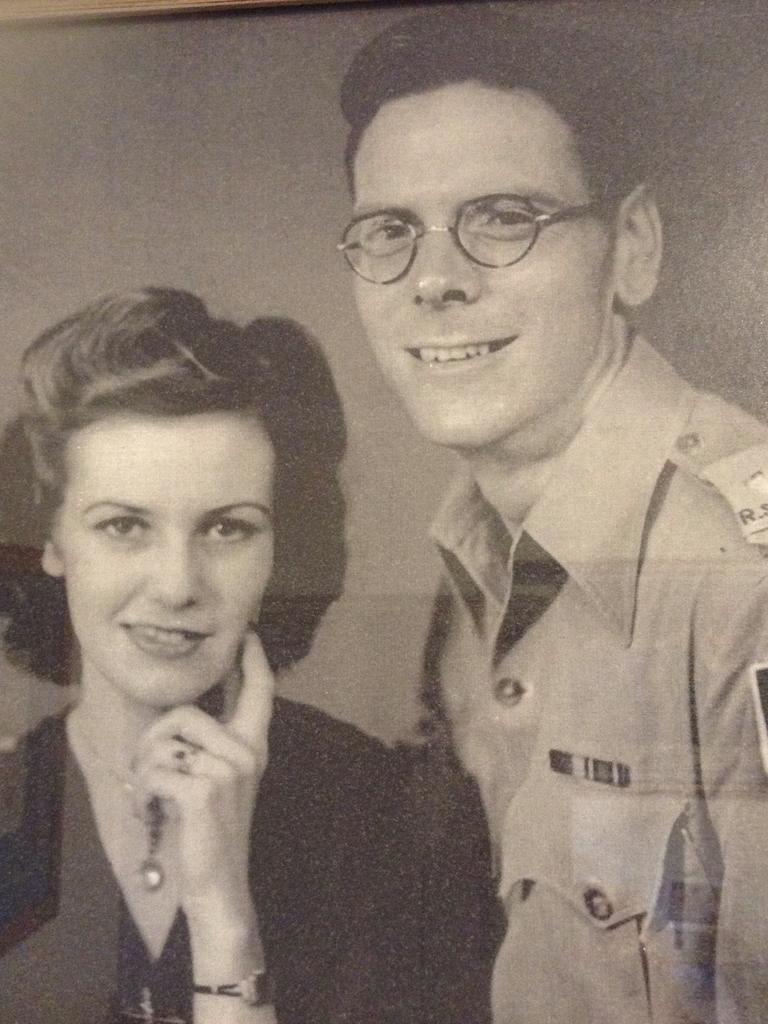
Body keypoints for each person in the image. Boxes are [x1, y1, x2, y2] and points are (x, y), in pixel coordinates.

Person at [338, 7, 768, 1023]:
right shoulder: (477, 556)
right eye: (390, 231)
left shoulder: (740, 582)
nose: (435, 281)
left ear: (632, 248)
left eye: (503, 217)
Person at [0, 287, 415, 1024]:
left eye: (227, 529)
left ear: (281, 549)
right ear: (52, 543)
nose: (178, 586)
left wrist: (225, 922)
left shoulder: (385, 816)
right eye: (124, 526)